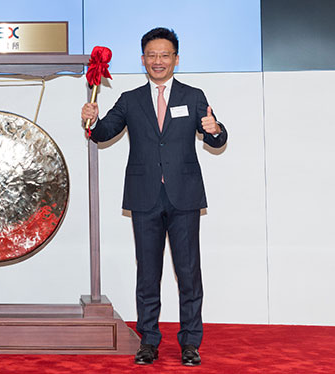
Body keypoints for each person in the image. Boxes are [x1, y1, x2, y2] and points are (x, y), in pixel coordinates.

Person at [80, 27, 227, 366]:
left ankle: (190, 342)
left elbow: (215, 137)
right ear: (142, 59)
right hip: (144, 196)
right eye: (152, 55)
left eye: (165, 55)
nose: (158, 61)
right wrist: (91, 120)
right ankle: (149, 340)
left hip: (184, 197)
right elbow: (103, 134)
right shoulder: (130, 100)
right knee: (148, 274)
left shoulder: (193, 96)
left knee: (189, 273)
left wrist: (216, 130)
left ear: (176, 59)